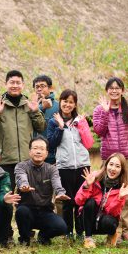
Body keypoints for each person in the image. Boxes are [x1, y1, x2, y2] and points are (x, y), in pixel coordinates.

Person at [93, 77, 128, 241]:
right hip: (109, 159)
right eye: (111, 88)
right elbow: (99, 131)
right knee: (110, 194)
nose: (114, 90)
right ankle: (114, 228)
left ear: (122, 90)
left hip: (127, 157)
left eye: (117, 88)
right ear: (107, 91)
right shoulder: (100, 110)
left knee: (127, 194)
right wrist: (106, 112)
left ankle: (127, 230)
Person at [46, 89, 93, 240]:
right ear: (60, 102)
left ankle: (80, 231)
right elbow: (52, 144)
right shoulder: (53, 121)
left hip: (82, 165)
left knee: (81, 200)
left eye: (71, 102)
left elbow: (89, 143)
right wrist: (60, 127)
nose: (67, 104)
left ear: (75, 104)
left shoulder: (80, 120)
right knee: (67, 201)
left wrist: (82, 126)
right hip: (64, 166)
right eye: (65, 101)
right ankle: (68, 231)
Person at [0, 70, 46, 187]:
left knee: (28, 197)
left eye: (18, 83)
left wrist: (35, 111)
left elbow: (41, 127)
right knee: (6, 197)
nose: (15, 85)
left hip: (28, 160)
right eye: (12, 82)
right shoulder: (0, 105)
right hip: (6, 160)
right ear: (6, 84)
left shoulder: (29, 104)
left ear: (23, 85)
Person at [14, 136, 70, 246]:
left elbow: (57, 183)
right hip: (27, 210)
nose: (38, 151)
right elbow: (21, 177)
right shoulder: (21, 166)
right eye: (35, 148)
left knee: (61, 227)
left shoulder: (52, 169)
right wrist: (24, 185)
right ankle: (25, 239)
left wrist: (60, 193)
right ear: (30, 152)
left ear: (46, 153)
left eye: (42, 149)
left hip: (45, 211)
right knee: (21, 212)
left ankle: (43, 236)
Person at [74, 153, 128, 248]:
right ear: (106, 165)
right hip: (87, 220)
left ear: (121, 170)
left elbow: (113, 213)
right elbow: (78, 201)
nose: (113, 169)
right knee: (90, 202)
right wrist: (87, 186)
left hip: (105, 221)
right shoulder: (94, 178)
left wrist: (119, 198)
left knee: (110, 222)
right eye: (111, 164)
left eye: (117, 166)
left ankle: (112, 235)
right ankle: (88, 238)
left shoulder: (121, 188)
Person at [33, 74, 58, 165]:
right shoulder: (30, 107)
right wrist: (41, 108)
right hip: (34, 156)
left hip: (53, 157)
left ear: (50, 88)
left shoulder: (58, 106)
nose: (39, 89)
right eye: (37, 87)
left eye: (42, 86)